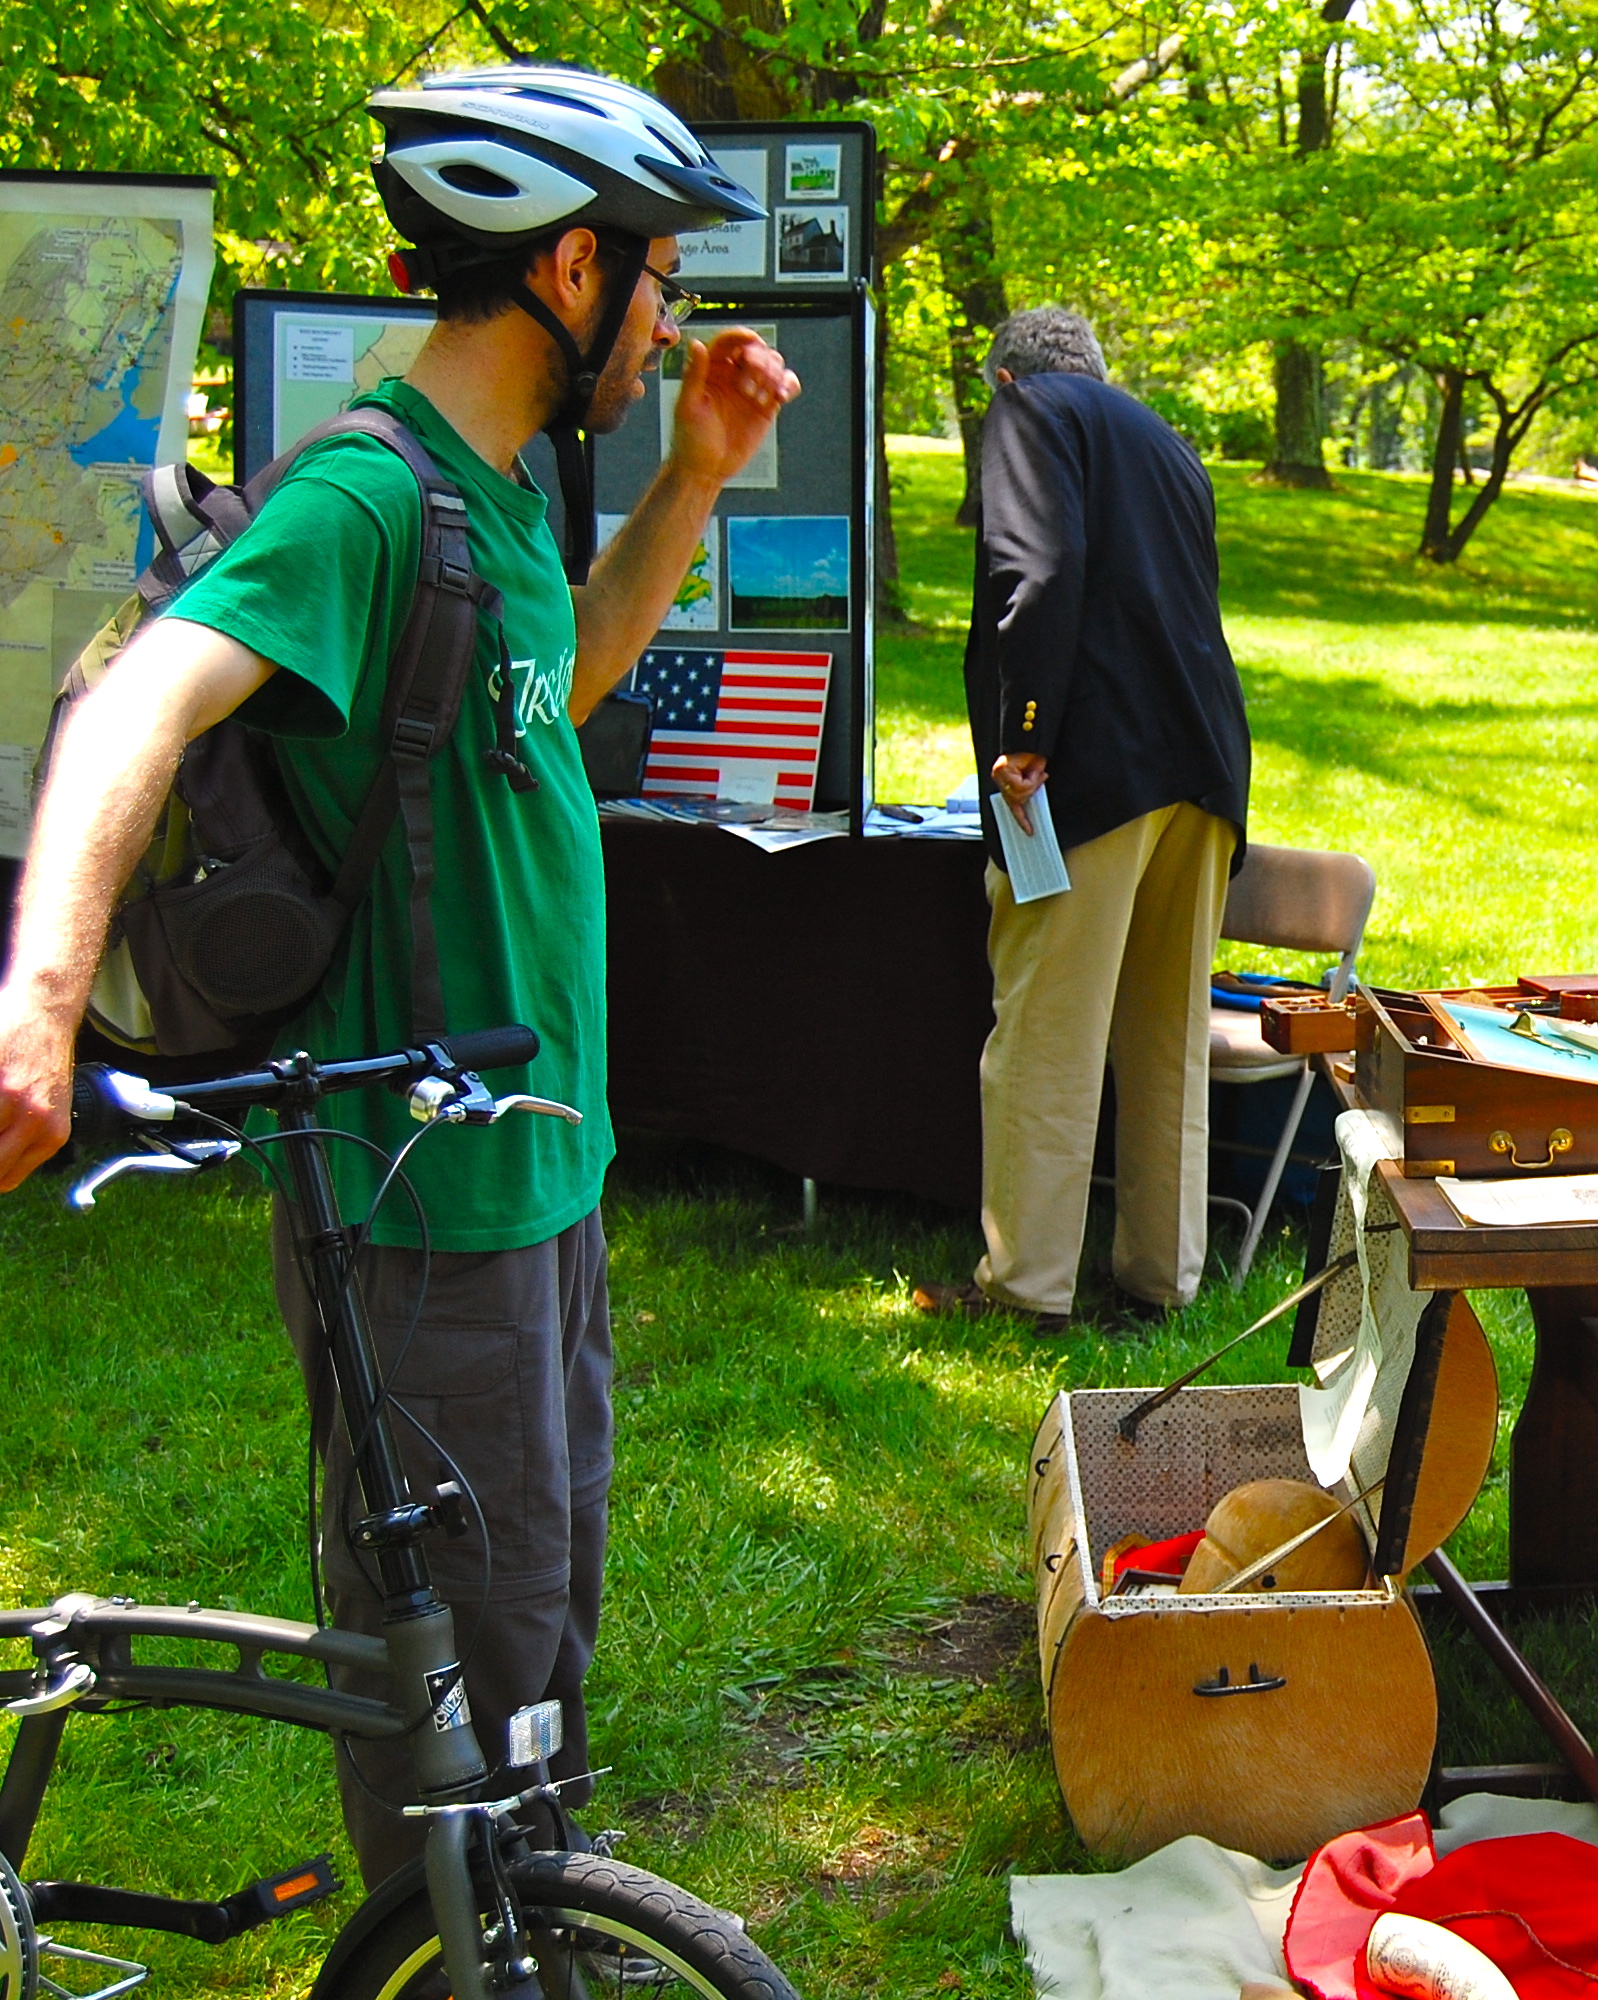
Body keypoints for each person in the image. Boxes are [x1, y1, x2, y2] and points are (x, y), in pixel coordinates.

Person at [0, 65, 795, 1884]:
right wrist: (36, 1006)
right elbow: (138, 700)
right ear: (571, 270)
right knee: (460, 1649)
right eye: (659, 282)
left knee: (537, 1625)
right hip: (423, 1204)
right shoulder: (368, 494)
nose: (669, 324)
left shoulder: (492, 499)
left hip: (539, 1174)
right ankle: (457, 1951)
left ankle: (522, 1920)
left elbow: (554, 690)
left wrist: (691, 478)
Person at [915, 308, 1252, 1333]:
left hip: (1092, 766)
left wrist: (1025, 731)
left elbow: (1040, 567)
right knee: (1166, 1039)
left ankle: (1025, 1287)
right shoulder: (1170, 445)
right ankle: (1161, 1278)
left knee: (1046, 1033)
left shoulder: (1027, 414)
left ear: (1004, 380)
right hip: (1205, 767)